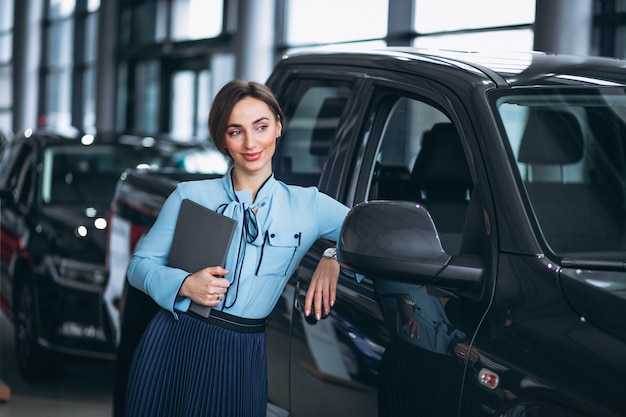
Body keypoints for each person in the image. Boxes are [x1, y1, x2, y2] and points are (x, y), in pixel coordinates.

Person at [123, 80, 351, 417]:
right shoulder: (190, 196)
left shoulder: (310, 205)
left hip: (243, 353)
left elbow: (370, 232)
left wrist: (334, 256)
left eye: (260, 127)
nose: (250, 143)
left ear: (278, 125)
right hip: (178, 341)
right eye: (235, 131)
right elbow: (139, 266)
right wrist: (184, 284)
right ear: (222, 140)